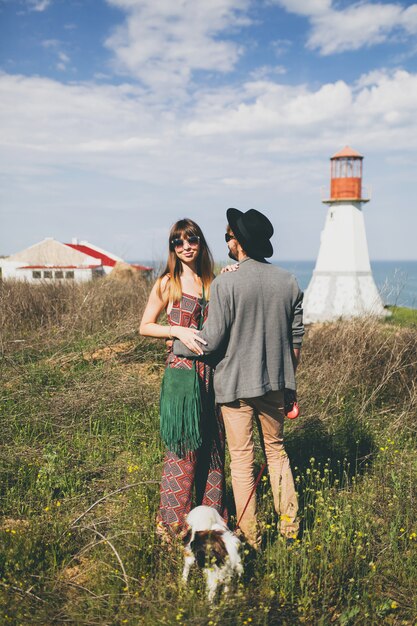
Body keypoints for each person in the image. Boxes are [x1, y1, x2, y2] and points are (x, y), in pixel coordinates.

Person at [173, 208, 304, 548]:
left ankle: (253, 538)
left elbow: (212, 340)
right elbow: (295, 342)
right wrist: (289, 385)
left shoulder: (226, 283)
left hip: (234, 388)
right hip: (277, 385)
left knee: (242, 462)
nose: (227, 242)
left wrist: (177, 343)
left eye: (229, 236)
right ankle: (290, 532)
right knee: (277, 455)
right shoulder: (288, 282)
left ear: (239, 243)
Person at [139, 218, 226, 541]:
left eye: (192, 240)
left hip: (211, 375)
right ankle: (172, 526)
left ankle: (209, 523)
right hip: (182, 374)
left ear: (201, 243)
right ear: (173, 248)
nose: (186, 247)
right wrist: (175, 329)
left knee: (213, 448)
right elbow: (145, 325)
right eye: (179, 242)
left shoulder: (212, 281)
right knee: (183, 450)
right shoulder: (167, 282)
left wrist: (231, 275)